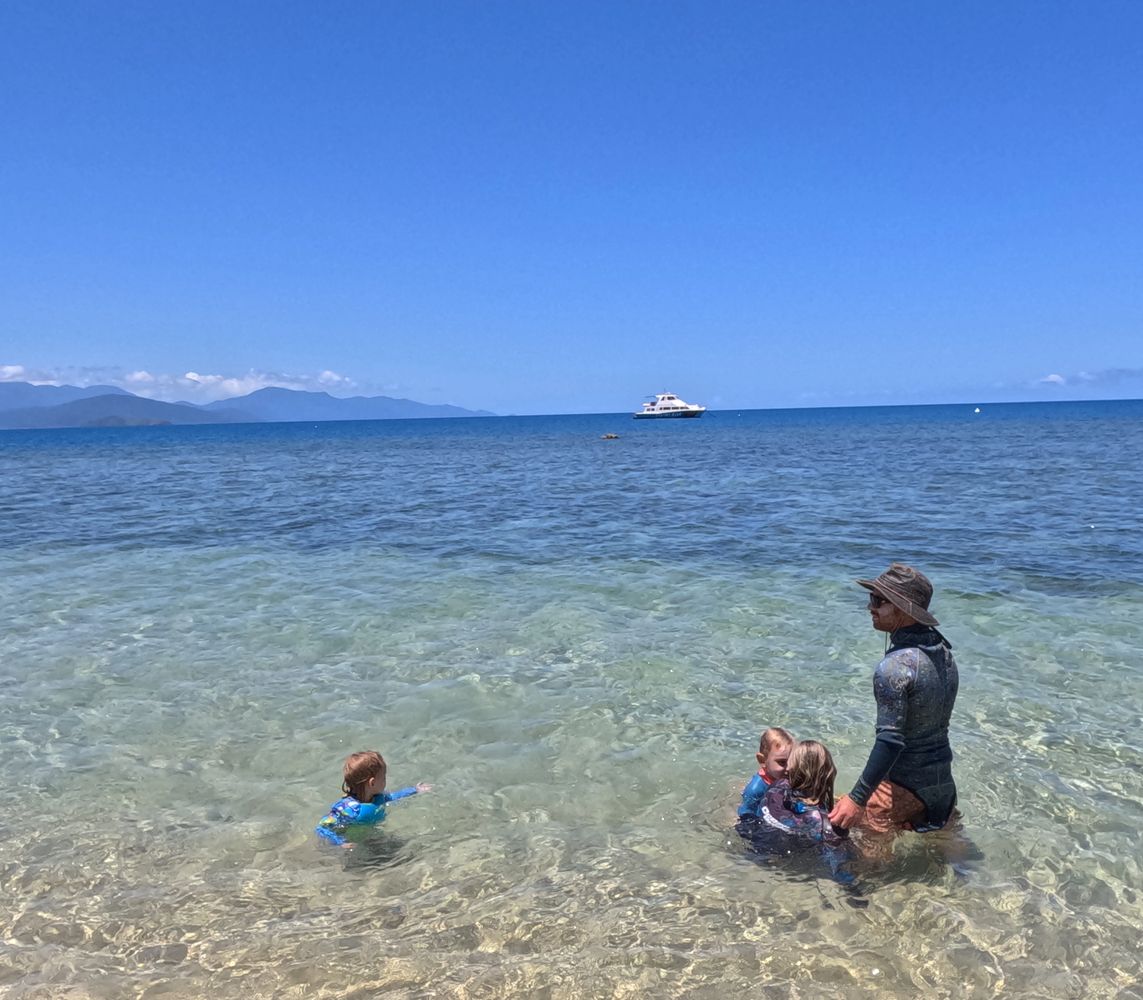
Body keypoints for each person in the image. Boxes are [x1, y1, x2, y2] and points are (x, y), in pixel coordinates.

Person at [829, 563, 959, 834]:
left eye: (878, 600)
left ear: (901, 607)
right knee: (959, 867)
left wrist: (857, 799)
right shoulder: (945, 654)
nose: (870, 608)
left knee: (864, 870)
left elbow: (890, 741)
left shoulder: (895, 667)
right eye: (871, 598)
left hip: (902, 787)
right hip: (943, 786)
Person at [316, 750, 431, 847]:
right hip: (353, 841)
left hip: (370, 835)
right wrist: (340, 842)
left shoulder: (377, 798)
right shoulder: (348, 809)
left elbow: (394, 796)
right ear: (372, 783)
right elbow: (322, 827)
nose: (385, 781)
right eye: (384, 778)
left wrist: (415, 790)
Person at [738, 726, 794, 819]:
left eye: (793, 761)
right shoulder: (755, 790)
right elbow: (746, 814)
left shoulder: (789, 776)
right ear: (763, 761)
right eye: (782, 762)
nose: (789, 768)